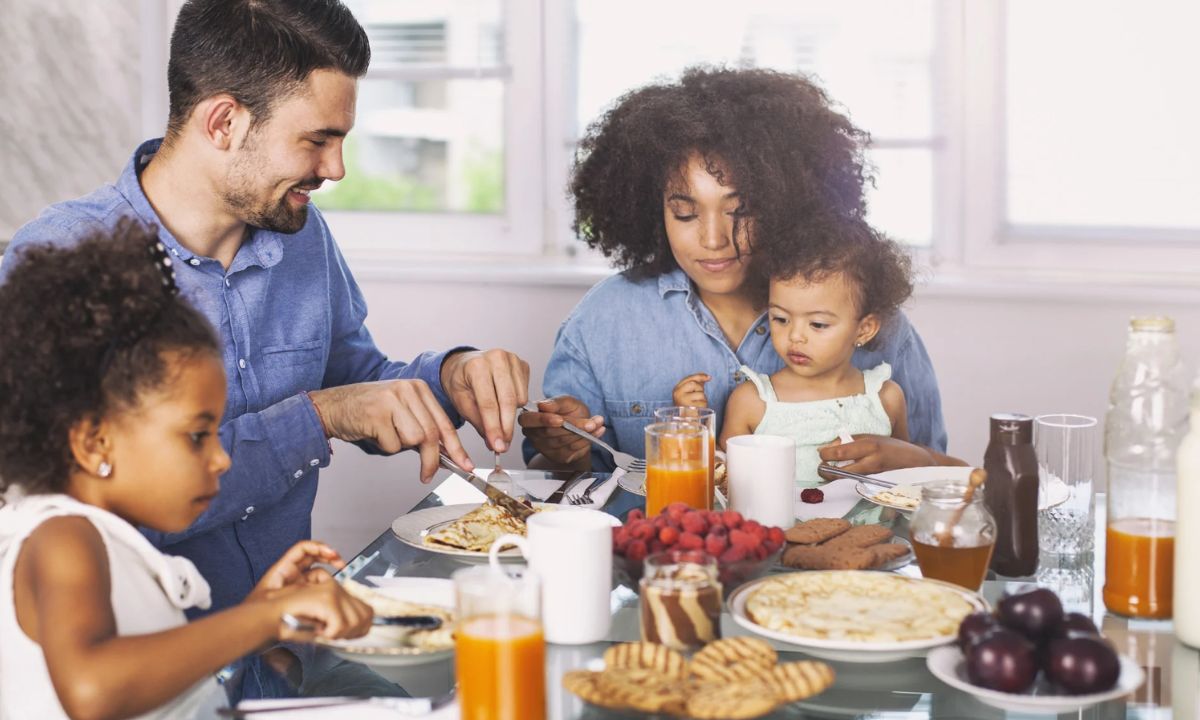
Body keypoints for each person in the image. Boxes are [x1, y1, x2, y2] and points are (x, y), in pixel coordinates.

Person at [0, 0, 530, 612]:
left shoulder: (301, 233)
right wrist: (319, 418)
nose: (337, 168)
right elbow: (70, 511)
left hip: (293, 646)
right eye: (317, 140)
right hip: (161, 669)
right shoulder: (65, 258)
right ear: (223, 122)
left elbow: (356, 384)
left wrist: (451, 377)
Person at [0, 223, 375, 720]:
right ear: (94, 443)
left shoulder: (109, 540)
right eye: (198, 436)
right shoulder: (60, 538)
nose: (222, 458)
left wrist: (255, 613)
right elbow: (93, 688)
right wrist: (264, 622)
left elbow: (156, 683)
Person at [521, 66, 956, 475]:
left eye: (740, 210)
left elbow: (933, 475)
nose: (714, 239)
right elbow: (549, 481)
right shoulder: (603, 321)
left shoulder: (871, 317)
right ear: (653, 212)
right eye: (685, 214)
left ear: (787, 200)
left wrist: (904, 459)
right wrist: (565, 450)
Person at [718, 225, 917, 482]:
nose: (795, 336)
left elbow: (907, 479)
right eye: (780, 318)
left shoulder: (885, 399)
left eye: (818, 324)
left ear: (864, 330)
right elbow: (725, 484)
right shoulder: (752, 402)